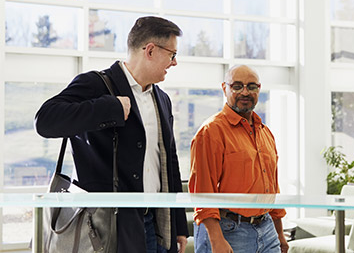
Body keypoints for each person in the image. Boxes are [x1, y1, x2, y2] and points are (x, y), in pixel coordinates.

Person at [35, 16, 188, 253]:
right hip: (108, 226)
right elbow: (45, 121)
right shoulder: (96, 84)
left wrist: (178, 225)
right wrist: (110, 108)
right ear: (150, 50)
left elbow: (169, 161)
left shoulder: (163, 100)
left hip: (155, 224)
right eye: (172, 55)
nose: (174, 63)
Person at [189, 65, 289, 253]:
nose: (245, 92)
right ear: (224, 88)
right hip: (228, 230)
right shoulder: (211, 132)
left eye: (251, 86)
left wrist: (279, 234)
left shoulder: (265, 132)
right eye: (237, 86)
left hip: (267, 230)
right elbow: (202, 191)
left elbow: (272, 187)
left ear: (259, 89)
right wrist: (216, 239)